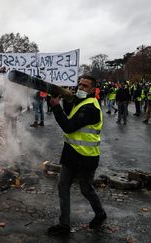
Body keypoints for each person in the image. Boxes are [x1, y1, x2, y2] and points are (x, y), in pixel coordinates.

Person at [47, 74, 106, 236]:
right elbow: (70, 112)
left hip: (87, 157)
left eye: (85, 86)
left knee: (86, 189)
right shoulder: (80, 102)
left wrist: (55, 106)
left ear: (93, 89)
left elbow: (69, 126)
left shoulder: (91, 108)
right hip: (71, 154)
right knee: (62, 186)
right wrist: (65, 99)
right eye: (79, 84)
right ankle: (64, 224)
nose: (80, 88)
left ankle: (100, 214)